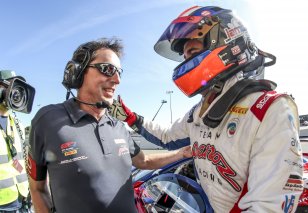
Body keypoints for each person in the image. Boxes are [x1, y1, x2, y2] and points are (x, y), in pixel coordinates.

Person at [110, 6, 303, 212]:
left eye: (192, 52)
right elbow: (167, 137)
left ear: (226, 43)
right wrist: (130, 118)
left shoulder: (268, 109)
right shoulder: (200, 111)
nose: (187, 62)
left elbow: (269, 207)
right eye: (185, 57)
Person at [27, 38, 192, 213]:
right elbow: (37, 189)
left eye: (119, 72)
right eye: (108, 69)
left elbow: (144, 161)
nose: (117, 80)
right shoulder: (47, 120)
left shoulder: (118, 126)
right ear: (78, 71)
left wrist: (182, 153)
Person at [0, 70, 34, 213]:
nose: (14, 92)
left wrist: (30, 191)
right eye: (10, 85)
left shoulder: (17, 124)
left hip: (22, 198)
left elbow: (24, 160)